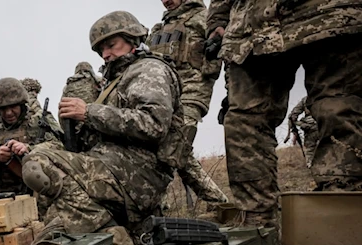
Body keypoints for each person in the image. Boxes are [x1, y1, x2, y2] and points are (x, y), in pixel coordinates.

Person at [21, 11, 187, 245]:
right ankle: (114, 228)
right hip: (115, 169)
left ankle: (113, 237)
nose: (106, 54)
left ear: (132, 39)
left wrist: (88, 113)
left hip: (136, 175)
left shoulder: (148, 70)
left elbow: (153, 124)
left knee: (39, 162)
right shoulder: (118, 78)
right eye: (101, 50)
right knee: (53, 228)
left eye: (112, 45)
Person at [207, 0, 362, 226]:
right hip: (253, 26)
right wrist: (217, 21)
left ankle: (345, 225)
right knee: (243, 123)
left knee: (338, 108)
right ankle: (258, 228)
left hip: (330, 13)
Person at [147, 0, 228, 209]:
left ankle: (157, 207)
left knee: (174, 149)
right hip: (165, 96)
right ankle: (221, 204)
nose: (166, 1)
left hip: (193, 91)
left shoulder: (204, 18)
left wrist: (232, 94)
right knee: (179, 153)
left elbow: (229, 51)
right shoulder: (160, 27)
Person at [0, 77, 64, 197]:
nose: (8, 113)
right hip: (1, 193)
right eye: (3, 108)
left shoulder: (39, 120)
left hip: (40, 190)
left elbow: (60, 147)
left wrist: (29, 149)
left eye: (13, 106)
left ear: (22, 104)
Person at [284, 97, 319, 169]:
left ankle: (312, 167)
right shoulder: (326, 96)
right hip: (322, 125)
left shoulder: (306, 99)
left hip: (310, 126)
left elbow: (293, 115)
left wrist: (299, 124)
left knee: (310, 149)